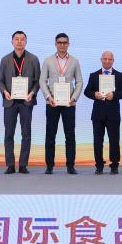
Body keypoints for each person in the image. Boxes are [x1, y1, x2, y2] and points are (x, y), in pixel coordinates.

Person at [0, 30, 41, 174]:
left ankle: (23, 165)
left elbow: (38, 81)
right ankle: (10, 165)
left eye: (22, 39)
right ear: (12, 42)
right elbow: (0, 81)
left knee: (26, 134)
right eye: (17, 39)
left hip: (26, 102)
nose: (19, 41)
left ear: (26, 42)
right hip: (10, 102)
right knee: (8, 134)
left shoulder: (33, 59)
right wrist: (5, 92)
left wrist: (32, 93)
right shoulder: (5, 59)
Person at [40, 32, 84, 175]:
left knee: (70, 135)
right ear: (55, 44)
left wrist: (74, 98)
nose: (62, 45)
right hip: (52, 102)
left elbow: (79, 81)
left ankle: (70, 166)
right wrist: (48, 97)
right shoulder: (48, 60)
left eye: (65, 42)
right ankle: (49, 166)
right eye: (59, 42)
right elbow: (42, 81)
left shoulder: (74, 61)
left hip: (69, 104)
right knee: (50, 135)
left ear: (68, 44)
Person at [84, 50, 122, 174]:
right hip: (98, 114)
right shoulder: (94, 75)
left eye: (110, 59)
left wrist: (114, 95)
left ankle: (114, 165)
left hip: (113, 114)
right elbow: (87, 92)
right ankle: (99, 165)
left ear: (113, 61)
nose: (107, 61)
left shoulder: (119, 75)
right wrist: (95, 94)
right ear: (101, 60)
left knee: (114, 141)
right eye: (105, 59)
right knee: (98, 141)